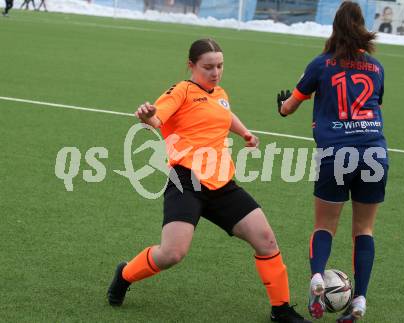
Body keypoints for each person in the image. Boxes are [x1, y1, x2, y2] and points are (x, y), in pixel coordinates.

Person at [107, 38, 311, 323]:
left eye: (220, 66)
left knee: (266, 240)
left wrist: (245, 133)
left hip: (222, 184)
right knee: (172, 253)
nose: (215, 72)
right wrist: (148, 117)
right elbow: (158, 119)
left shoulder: (219, 92)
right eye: (208, 67)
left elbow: (224, 113)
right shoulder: (181, 91)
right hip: (186, 182)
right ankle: (125, 274)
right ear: (191, 66)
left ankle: (281, 309)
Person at [277, 2, 388, 322]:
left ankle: (316, 279)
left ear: (334, 28)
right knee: (364, 229)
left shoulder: (321, 64)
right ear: (362, 27)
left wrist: (282, 106)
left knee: (324, 225)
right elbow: (375, 102)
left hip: (336, 153)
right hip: (375, 152)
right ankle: (360, 301)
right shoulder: (377, 68)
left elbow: (291, 106)